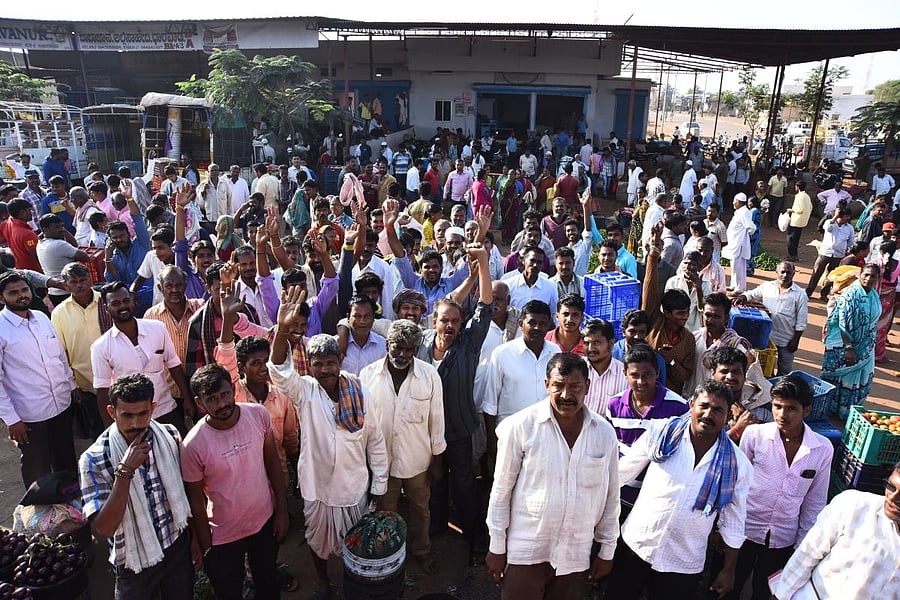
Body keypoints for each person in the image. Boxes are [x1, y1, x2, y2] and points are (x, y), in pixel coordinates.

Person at [268, 301, 389, 597]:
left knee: (356, 542)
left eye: (330, 362)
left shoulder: (360, 391)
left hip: (353, 487)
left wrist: (380, 485)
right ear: (310, 365)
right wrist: (283, 331)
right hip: (318, 487)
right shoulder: (305, 392)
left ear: (340, 361)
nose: (325, 369)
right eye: (318, 363)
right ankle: (323, 582)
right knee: (317, 540)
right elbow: (279, 372)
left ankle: (354, 581)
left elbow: (375, 440)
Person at [486, 353, 620, 599]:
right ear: (547, 384)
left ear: (587, 387)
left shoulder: (604, 433)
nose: (566, 395)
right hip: (526, 549)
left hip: (575, 553)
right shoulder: (521, 426)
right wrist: (496, 546)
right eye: (558, 386)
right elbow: (501, 491)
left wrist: (607, 550)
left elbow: (611, 496)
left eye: (575, 387)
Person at [605, 381, 753, 600]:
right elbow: (620, 474)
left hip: (683, 561)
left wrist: (728, 570)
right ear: (692, 404)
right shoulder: (661, 433)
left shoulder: (737, 464)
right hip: (636, 544)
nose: (708, 414)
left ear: (727, 416)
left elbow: (734, 520)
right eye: (704, 406)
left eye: (718, 410)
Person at [79, 373, 194, 600]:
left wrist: (195, 539)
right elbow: (103, 530)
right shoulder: (93, 459)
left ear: (153, 408)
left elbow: (186, 492)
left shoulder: (169, 436)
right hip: (133, 561)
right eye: (127, 415)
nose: (135, 423)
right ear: (112, 412)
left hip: (176, 547)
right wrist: (124, 472)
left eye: (143, 414)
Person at [416, 245, 494, 562]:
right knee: (434, 481)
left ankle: (474, 535)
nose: (450, 325)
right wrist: (467, 282)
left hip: (459, 430)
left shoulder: (468, 343)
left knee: (464, 484)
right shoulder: (420, 343)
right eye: (444, 320)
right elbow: (447, 305)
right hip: (427, 432)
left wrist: (483, 267)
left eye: (455, 321)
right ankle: (436, 527)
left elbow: (486, 307)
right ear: (433, 321)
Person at [183, 362, 287, 600]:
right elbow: (196, 500)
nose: (221, 404)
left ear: (232, 388)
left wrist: (281, 511)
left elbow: (273, 465)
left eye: (224, 395)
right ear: (200, 403)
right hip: (223, 536)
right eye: (212, 399)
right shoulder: (193, 446)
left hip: (264, 523)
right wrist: (207, 543)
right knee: (228, 591)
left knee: (268, 583)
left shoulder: (257, 415)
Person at [728, 374, 833, 600]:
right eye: (777, 407)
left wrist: (801, 549)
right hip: (744, 529)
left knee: (765, 592)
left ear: (806, 410)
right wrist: (725, 528)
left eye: (791, 409)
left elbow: (815, 503)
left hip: (783, 538)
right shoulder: (755, 435)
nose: (782, 415)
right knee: (728, 586)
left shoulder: (822, 449)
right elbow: (737, 485)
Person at [360, 320, 445, 574]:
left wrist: (437, 461)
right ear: (387, 345)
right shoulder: (368, 376)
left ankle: (421, 551)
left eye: (409, 350)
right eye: (398, 348)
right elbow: (364, 425)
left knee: (421, 510)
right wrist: (367, 463)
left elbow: (437, 419)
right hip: (381, 464)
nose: (403, 355)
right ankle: (389, 556)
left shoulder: (429, 375)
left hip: (419, 461)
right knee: (386, 512)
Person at [770, 463, 900, 600]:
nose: (892, 498)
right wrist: (780, 595)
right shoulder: (854, 505)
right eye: (891, 487)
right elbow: (808, 553)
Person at [0, 271, 77, 488]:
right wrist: (12, 419)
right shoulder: (1, 329)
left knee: (66, 463)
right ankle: (39, 518)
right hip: (30, 415)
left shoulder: (41, 317)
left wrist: (70, 385)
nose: (21, 295)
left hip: (61, 405)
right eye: (13, 293)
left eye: (24, 290)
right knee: (38, 472)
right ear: (1, 298)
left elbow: (60, 355)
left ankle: (72, 514)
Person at [91, 282, 195, 435]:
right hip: (133, 419)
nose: (123, 306)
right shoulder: (101, 347)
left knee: (180, 453)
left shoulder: (157, 328)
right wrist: (112, 429)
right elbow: (102, 390)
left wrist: (187, 398)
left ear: (133, 301)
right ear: (107, 309)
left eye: (126, 300)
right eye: (116, 303)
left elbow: (174, 365)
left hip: (165, 408)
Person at [606, 344, 689, 512]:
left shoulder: (679, 407)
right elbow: (609, 447)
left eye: (647, 375)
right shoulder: (614, 405)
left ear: (657, 373)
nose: (641, 382)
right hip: (619, 494)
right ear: (625, 374)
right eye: (634, 375)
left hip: (658, 498)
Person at [52, 263, 110, 440]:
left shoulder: (106, 301)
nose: (79, 285)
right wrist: (72, 385)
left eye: (83, 280)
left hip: (115, 377)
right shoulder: (59, 313)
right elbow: (60, 352)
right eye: (74, 281)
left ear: (90, 280)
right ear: (65, 284)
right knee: (97, 430)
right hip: (85, 384)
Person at [484, 299, 560, 431]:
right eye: (532, 322)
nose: (537, 328)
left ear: (549, 326)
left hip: (546, 431)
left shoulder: (555, 352)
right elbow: (490, 403)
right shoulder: (502, 354)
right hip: (510, 431)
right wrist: (492, 443)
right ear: (521, 324)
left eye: (542, 323)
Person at [821, 264, 882, 418]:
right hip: (844, 344)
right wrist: (849, 348)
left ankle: (847, 410)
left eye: (872, 276)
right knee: (842, 378)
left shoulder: (874, 295)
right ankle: (833, 409)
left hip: (866, 347)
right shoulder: (851, 294)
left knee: (860, 379)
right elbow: (843, 323)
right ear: (859, 275)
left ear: (878, 278)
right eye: (866, 275)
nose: (868, 278)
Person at [738, 262, 808, 375]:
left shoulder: (800, 294)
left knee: (784, 369)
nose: (785, 275)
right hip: (766, 337)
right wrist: (743, 297)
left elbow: (801, 321)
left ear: (793, 274)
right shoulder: (767, 286)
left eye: (788, 273)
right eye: (782, 272)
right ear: (777, 272)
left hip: (786, 338)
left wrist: (795, 341)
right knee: (763, 368)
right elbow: (752, 294)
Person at [806, 206, 855, 299]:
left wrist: (843, 248)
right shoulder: (830, 223)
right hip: (825, 253)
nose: (847, 219)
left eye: (848, 216)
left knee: (832, 275)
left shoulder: (849, 228)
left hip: (838, 255)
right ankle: (808, 292)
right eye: (845, 216)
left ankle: (824, 294)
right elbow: (827, 228)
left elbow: (851, 241)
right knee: (816, 272)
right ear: (840, 216)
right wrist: (835, 216)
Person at [581, 319, 628, 415]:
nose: (590, 348)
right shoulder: (575, 369)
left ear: (611, 344)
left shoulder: (625, 375)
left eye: (596, 343)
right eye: (586, 343)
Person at [722, 193, 756, 292]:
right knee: (734, 265)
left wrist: (745, 237)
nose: (733, 203)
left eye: (735, 201)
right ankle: (734, 285)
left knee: (738, 267)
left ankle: (739, 288)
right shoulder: (739, 211)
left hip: (739, 244)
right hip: (734, 243)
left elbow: (751, 227)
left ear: (739, 202)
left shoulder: (744, 212)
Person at [785, 181, 813, 261]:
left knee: (790, 238)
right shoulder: (807, 196)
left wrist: (791, 210)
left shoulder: (799, 196)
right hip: (802, 221)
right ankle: (795, 255)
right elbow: (811, 207)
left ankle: (791, 255)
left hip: (796, 221)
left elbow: (799, 210)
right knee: (796, 239)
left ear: (797, 187)